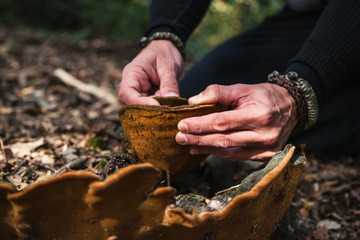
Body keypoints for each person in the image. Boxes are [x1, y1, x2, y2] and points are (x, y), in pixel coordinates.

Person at [118, 0, 360, 161]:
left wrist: (298, 92)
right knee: (196, 112)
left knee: (268, 125)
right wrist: (165, 35)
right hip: (311, 16)